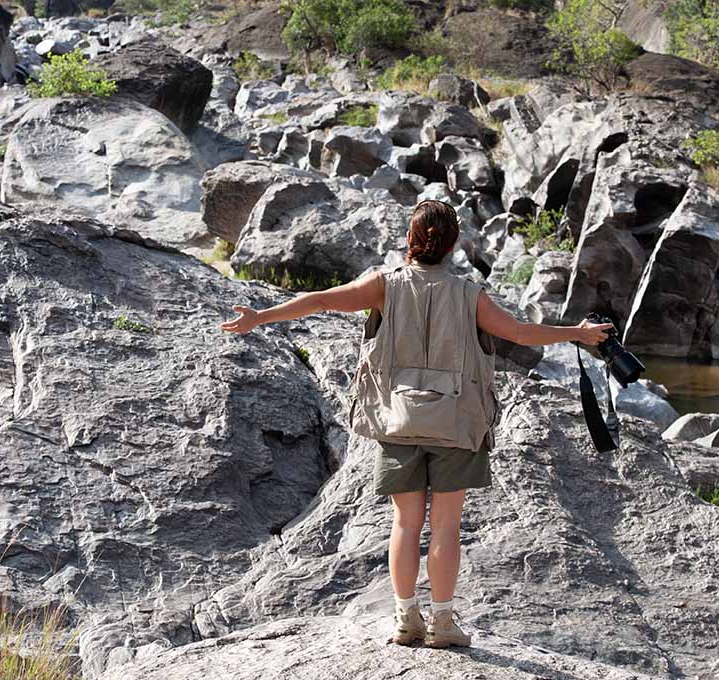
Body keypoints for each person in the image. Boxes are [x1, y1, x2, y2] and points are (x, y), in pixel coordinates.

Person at [219, 199, 613, 649]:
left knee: (406, 523)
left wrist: (260, 317)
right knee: (446, 525)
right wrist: (578, 334)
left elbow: (321, 301)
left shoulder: (384, 286)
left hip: (398, 419)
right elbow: (520, 333)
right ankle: (443, 623)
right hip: (457, 422)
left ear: (411, 240)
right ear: (451, 247)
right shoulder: (471, 295)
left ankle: (407, 619)